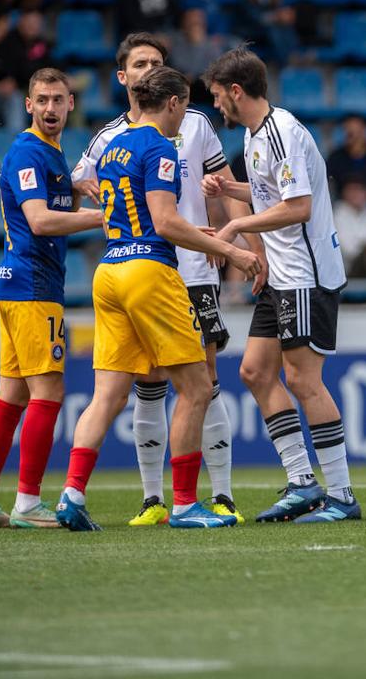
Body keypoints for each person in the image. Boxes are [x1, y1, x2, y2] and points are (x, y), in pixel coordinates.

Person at [56, 66, 261, 531]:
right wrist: (230, 250)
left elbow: (127, 217)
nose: (184, 115)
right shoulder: (159, 147)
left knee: (106, 396)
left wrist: (196, 235)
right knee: (195, 388)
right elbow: (165, 223)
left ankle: (71, 493)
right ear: (172, 103)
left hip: (108, 272)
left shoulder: (112, 148)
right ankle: (187, 503)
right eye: (185, 105)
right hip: (150, 271)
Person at [201, 47, 363, 523]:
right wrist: (231, 191)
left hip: (307, 277)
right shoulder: (255, 138)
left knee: (302, 379)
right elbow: (272, 193)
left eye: (217, 97)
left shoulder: (282, 132)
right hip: (283, 275)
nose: (216, 107)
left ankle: (341, 494)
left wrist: (232, 230)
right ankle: (302, 482)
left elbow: (298, 206)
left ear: (236, 91)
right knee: (254, 371)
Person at [0, 68, 107, 529]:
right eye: (41, 99)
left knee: (12, 395)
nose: (49, 108)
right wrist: (102, 218)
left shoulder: (51, 153)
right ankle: (27, 502)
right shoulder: (27, 151)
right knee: (50, 392)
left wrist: (74, 189)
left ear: (69, 105)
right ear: (28, 104)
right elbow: (41, 221)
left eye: (58, 100)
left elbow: (50, 206)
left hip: (19, 285)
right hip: (33, 287)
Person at [326, 114, 366, 205]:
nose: (355, 138)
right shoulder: (336, 157)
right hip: (341, 208)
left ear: (365, 132)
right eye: (350, 133)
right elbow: (329, 186)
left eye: (358, 132)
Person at [0, 10, 53, 91]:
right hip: (11, 87)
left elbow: (47, 65)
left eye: (36, 23)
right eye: (29, 22)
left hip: (34, 84)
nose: (32, 26)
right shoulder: (8, 40)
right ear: (20, 23)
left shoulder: (41, 43)